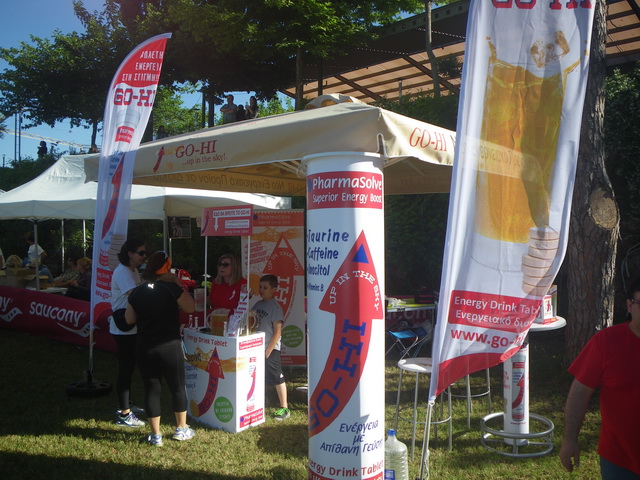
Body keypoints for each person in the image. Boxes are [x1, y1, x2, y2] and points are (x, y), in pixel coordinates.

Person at [560, 279, 640, 478]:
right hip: (620, 459)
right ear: (630, 305)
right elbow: (580, 392)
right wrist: (569, 440)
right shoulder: (606, 342)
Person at [125, 251, 196, 446]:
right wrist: (177, 284)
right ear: (166, 269)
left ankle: (155, 435)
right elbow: (190, 307)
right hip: (169, 346)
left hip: (145, 347)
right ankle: (181, 429)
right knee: (177, 387)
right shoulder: (171, 288)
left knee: (151, 389)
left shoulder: (138, 291)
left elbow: (129, 319)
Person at [110, 238, 147, 428]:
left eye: (145, 253)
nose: (144, 257)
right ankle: (123, 413)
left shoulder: (132, 270)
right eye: (141, 253)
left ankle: (128, 404)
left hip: (132, 326)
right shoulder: (123, 271)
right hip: (123, 328)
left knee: (130, 367)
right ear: (130, 253)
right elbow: (136, 296)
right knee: (125, 369)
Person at [252, 274, 289, 420]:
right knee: (259, 375)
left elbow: (278, 331)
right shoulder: (257, 305)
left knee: (277, 376)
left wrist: (269, 350)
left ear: (274, 289)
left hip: (270, 349)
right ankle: (260, 402)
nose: (261, 290)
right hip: (257, 347)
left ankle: (284, 407)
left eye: (265, 287)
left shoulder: (275, 307)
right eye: (260, 287)